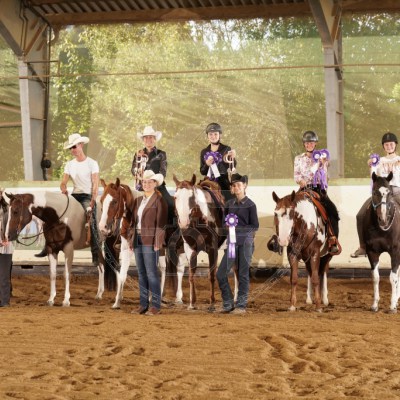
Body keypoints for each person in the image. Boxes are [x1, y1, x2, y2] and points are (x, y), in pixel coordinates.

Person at [36, 133, 100, 264]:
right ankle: (48, 244)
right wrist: (63, 187)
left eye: (74, 146)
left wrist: (93, 199)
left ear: (81, 145)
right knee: (53, 214)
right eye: (71, 148)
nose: (72, 150)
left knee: (91, 217)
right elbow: (63, 181)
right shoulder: (69, 164)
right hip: (74, 196)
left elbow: (95, 183)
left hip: (87, 196)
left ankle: (95, 251)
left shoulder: (92, 163)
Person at [351, 132, 400, 257]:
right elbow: (374, 176)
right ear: (383, 146)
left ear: (395, 145)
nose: (389, 146)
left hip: (396, 191)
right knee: (360, 215)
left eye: (391, 144)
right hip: (381, 193)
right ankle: (363, 246)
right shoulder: (379, 161)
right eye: (386, 144)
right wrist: (371, 165)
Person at [216, 173, 259, 314]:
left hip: (246, 243)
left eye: (239, 185)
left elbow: (255, 226)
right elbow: (224, 223)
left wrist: (238, 229)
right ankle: (228, 303)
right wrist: (228, 226)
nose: (236, 187)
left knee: (243, 274)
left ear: (244, 186)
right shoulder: (229, 204)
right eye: (234, 185)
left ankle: (241, 305)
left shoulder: (251, 205)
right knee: (221, 273)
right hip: (232, 244)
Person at [293, 130, 340, 254]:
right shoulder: (298, 158)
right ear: (304, 144)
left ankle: (332, 240)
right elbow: (296, 175)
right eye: (307, 143)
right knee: (289, 208)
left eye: (311, 143)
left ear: (315, 144)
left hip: (318, 189)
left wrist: (323, 164)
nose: (309, 145)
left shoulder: (322, 157)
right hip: (304, 188)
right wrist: (301, 181)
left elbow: (325, 175)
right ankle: (286, 238)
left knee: (332, 211)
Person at [130, 170, 168, 316]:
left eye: (149, 182)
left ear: (155, 184)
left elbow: (161, 223)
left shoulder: (159, 200)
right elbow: (134, 222)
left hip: (150, 240)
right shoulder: (138, 200)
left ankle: (155, 306)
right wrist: (131, 239)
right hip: (138, 238)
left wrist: (158, 241)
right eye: (144, 182)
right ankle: (143, 304)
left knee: (151, 273)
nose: (146, 184)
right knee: (141, 273)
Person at [131, 126, 174, 225]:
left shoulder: (161, 154)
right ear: (143, 140)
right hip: (142, 186)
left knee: (170, 203)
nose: (148, 139)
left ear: (154, 139)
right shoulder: (138, 154)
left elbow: (163, 171)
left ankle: (169, 227)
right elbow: (133, 170)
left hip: (158, 186)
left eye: (151, 137)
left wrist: (154, 181)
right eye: (146, 137)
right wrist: (137, 171)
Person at [200, 122, 237, 202]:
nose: (213, 136)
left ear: (220, 135)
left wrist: (233, 158)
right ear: (207, 136)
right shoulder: (204, 151)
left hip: (223, 182)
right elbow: (202, 171)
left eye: (215, 134)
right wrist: (207, 164)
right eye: (210, 134)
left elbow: (232, 167)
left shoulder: (226, 149)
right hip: (208, 181)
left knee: (231, 200)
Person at [0, 194, 13, 308]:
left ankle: (4, 301)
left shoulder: (8, 209)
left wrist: (8, 237)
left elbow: (13, 227)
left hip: (5, 247)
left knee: (4, 276)